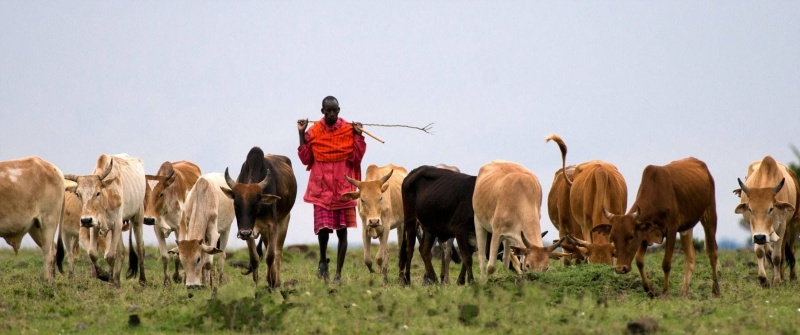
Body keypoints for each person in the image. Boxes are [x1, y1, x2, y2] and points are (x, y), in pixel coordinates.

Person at [297, 96, 366, 282]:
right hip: (321, 190)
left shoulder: (348, 130)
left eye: (335, 110)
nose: (332, 114)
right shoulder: (314, 132)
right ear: (322, 112)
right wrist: (301, 134)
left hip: (343, 190)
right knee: (323, 230)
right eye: (328, 111)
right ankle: (322, 261)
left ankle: (338, 274)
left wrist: (359, 135)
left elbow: (356, 158)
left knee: (342, 232)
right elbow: (305, 158)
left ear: (339, 110)